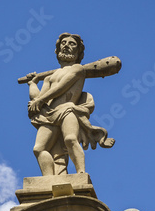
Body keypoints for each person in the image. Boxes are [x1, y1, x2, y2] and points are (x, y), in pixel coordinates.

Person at [27, 33, 115, 175]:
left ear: (78, 52)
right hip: (49, 114)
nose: (66, 45)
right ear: (57, 49)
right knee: (38, 149)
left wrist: (40, 100)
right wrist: (32, 84)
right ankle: (50, 179)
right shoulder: (49, 77)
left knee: (70, 139)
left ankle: (80, 172)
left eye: (72, 43)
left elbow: (61, 87)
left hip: (67, 110)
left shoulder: (78, 69)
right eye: (63, 43)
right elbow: (39, 98)